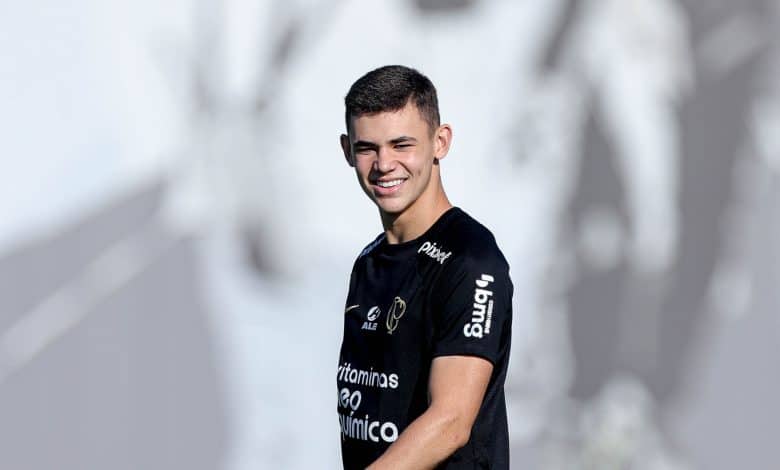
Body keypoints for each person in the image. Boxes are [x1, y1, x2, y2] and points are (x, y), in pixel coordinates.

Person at [336, 65, 513, 469]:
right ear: (347, 151)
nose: (384, 164)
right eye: (367, 148)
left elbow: (451, 422)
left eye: (402, 145)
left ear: (440, 142)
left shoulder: (472, 260)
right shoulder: (368, 261)